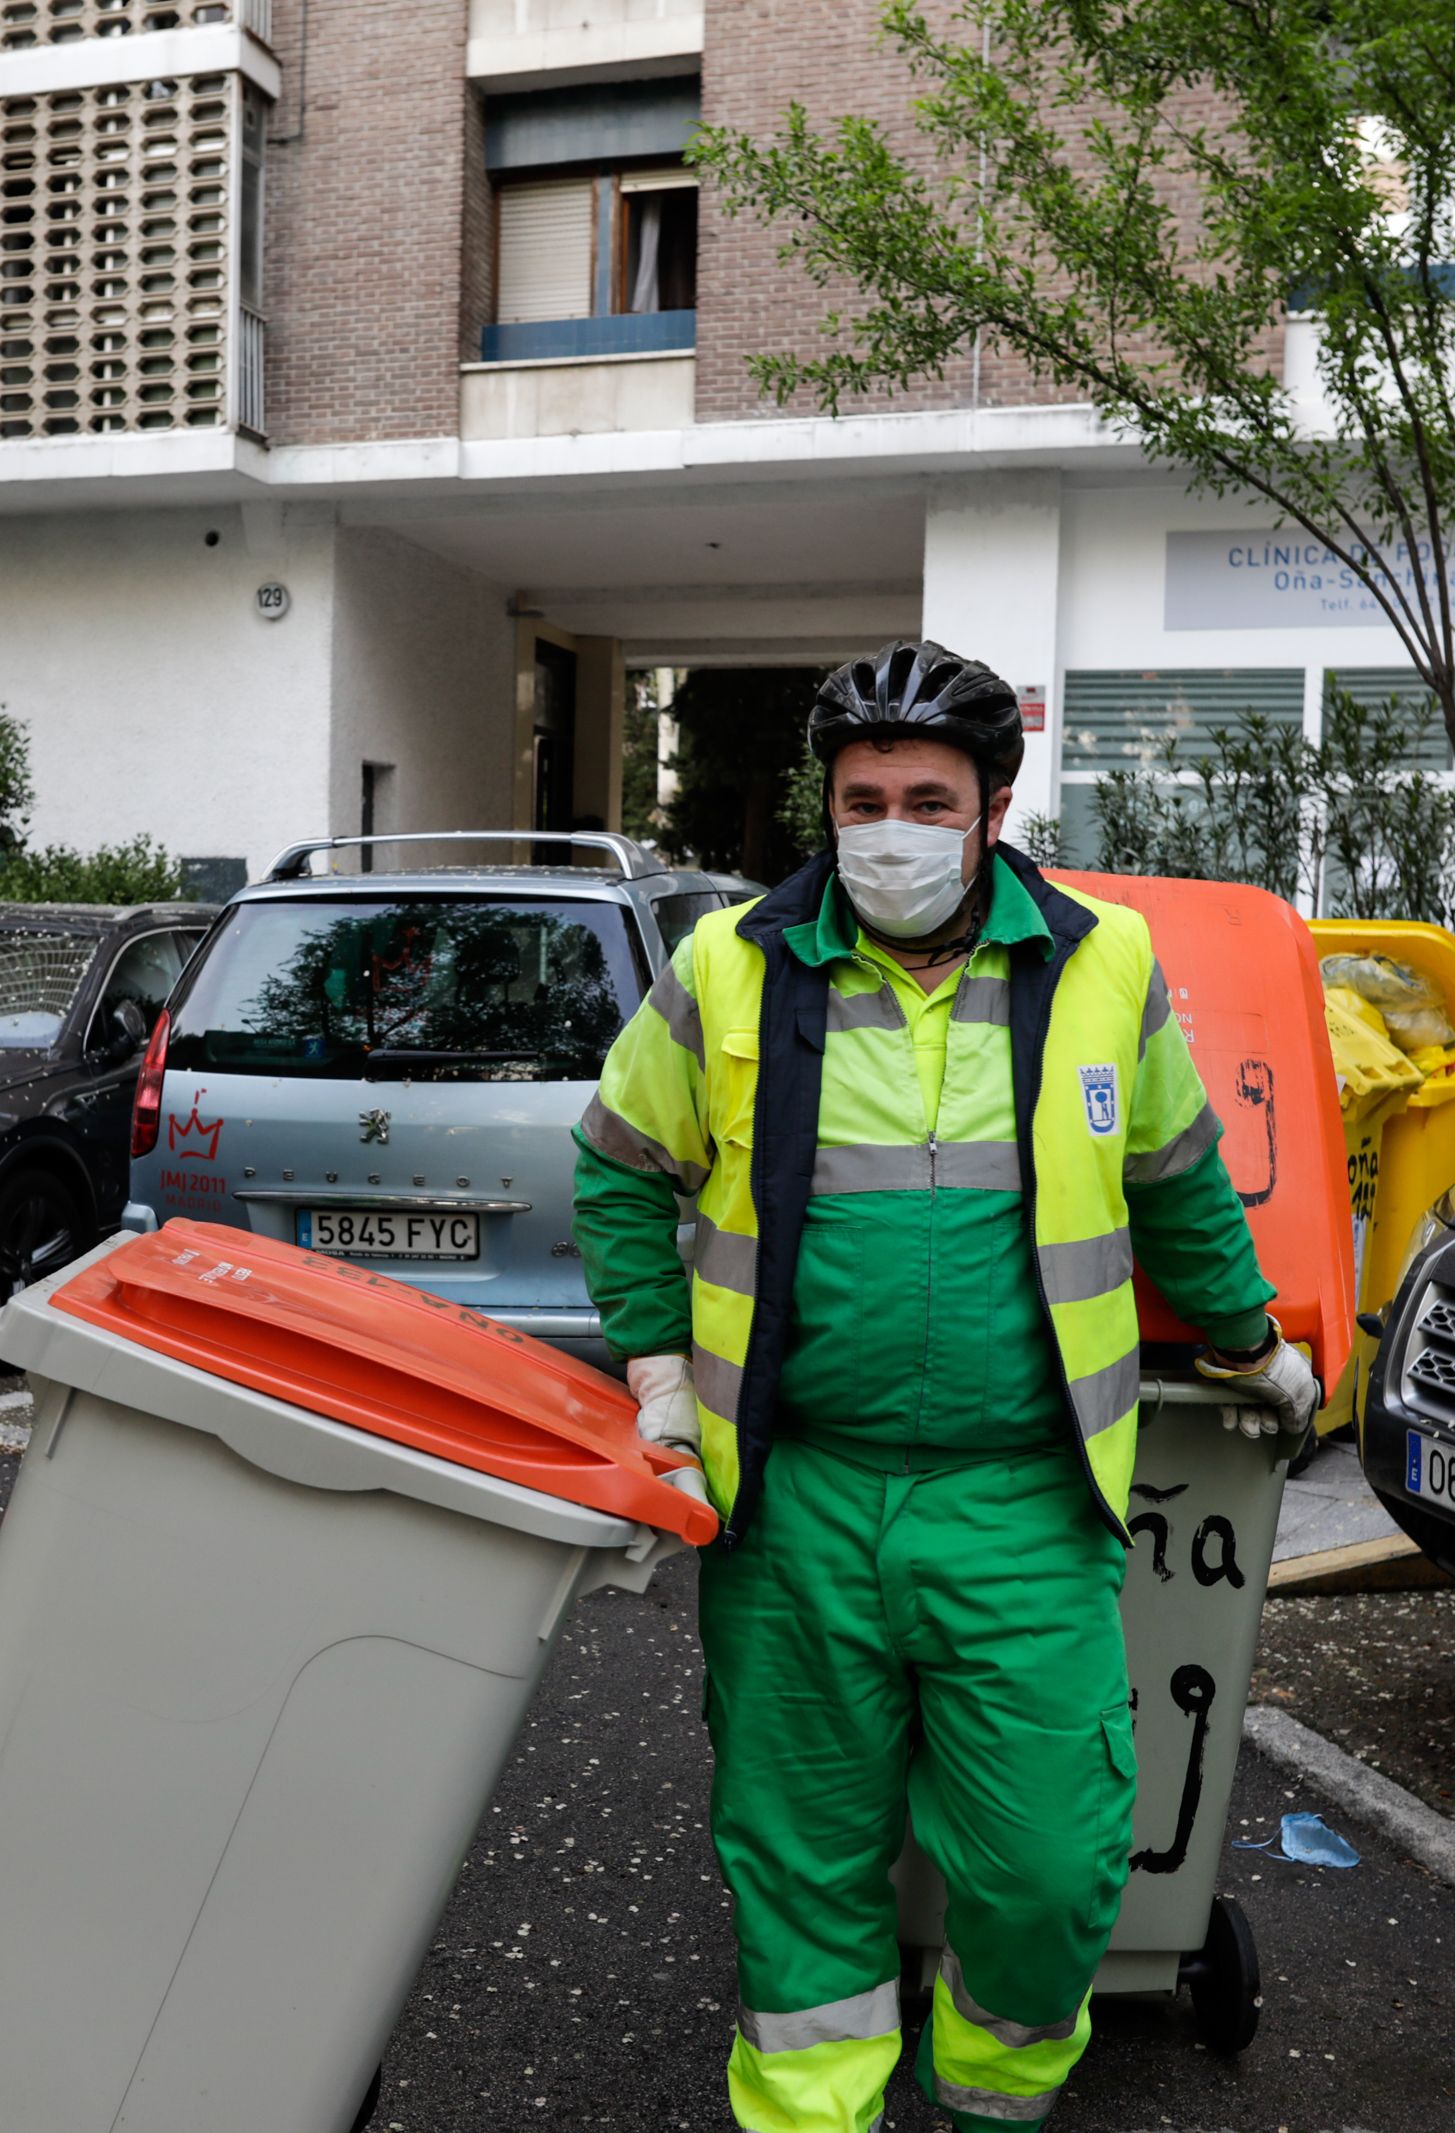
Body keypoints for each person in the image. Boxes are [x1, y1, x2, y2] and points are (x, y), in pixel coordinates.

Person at [570, 640, 1318, 2132]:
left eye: (926, 800)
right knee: (799, 1864)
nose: (890, 831)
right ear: (828, 807)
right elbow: (616, 1167)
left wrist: (1250, 1344)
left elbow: (1178, 1183)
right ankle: (810, 2113)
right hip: (797, 1502)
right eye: (862, 801)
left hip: (1022, 1503)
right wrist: (656, 1369)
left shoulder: (1102, 963)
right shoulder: (730, 965)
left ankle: (992, 2095)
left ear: (991, 809)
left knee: (1051, 1863)